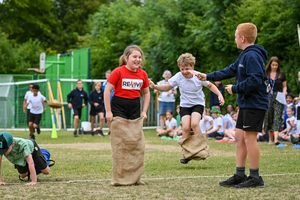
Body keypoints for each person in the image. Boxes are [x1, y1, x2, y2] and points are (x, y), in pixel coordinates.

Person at [196, 23, 268, 188]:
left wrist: (234, 88)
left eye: (236, 36)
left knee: (250, 140)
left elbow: (256, 80)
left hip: (255, 104)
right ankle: (240, 174)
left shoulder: (252, 56)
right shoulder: (244, 55)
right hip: (246, 103)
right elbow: (229, 70)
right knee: (239, 138)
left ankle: (255, 177)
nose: (235, 39)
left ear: (242, 38)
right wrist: (207, 76)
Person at [150, 53, 225, 164]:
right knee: (185, 128)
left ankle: (202, 149)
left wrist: (220, 95)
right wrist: (155, 86)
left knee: (194, 124)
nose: (184, 71)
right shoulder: (178, 76)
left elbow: (210, 85)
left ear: (192, 67)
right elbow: (167, 87)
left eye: (187, 68)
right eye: (182, 69)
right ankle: (187, 154)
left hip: (198, 104)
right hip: (185, 105)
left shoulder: (198, 76)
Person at [104, 45, 150, 186]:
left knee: (136, 144)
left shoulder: (143, 74)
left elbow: (146, 93)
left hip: (135, 107)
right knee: (121, 144)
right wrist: (108, 111)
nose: (137, 59)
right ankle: (119, 178)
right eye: (134, 56)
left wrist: (144, 111)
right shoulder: (118, 71)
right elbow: (107, 90)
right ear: (126, 58)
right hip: (119, 107)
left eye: (139, 57)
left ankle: (136, 178)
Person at [263, 56, 287, 145]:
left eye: (276, 65)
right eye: (273, 65)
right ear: (270, 65)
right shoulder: (265, 74)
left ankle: (276, 139)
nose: (274, 67)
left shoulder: (281, 74)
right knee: (269, 116)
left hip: (279, 96)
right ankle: (270, 139)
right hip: (268, 96)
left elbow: (284, 86)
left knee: (277, 116)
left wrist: (284, 93)